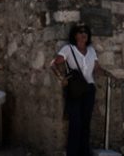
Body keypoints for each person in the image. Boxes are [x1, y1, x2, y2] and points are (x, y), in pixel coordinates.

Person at [48, 23, 111, 156]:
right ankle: (72, 153)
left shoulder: (91, 50)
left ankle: (84, 152)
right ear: (75, 35)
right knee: (75, 123)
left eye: (86, 32)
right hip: (75, 91)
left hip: (89, 90)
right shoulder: (68, 49)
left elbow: (97, 68)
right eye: (80, 32)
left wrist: (110, 75)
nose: (84, 34)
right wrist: (61, 78)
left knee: (86, 124)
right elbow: (53, 64)